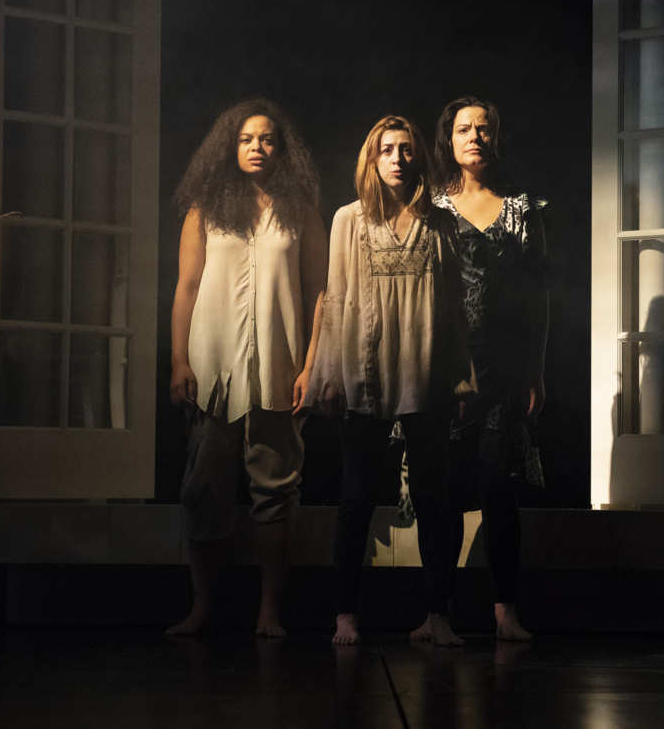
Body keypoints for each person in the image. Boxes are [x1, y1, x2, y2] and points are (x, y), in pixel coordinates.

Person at [299, 115, 466, 647]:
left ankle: (437, 614)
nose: (397, 158)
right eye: (387, 149)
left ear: (419, 157)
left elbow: (454, 307)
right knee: (356, 498)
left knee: (435, 497)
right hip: (364, 369)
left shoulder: (440, 223)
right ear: (372, 159)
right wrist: (328, 371)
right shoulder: (348, 220)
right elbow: (336, 297)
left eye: (407, 149)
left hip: (425, 368)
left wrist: (461, 378)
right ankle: (345, 613)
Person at [166, 98, 327, 638]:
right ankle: (202, 608)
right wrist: (179, 361)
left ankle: (269, 613)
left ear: (282, 150)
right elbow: (186, 288)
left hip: (281, 369)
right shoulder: (205, 207)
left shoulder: (300, 209)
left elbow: (318, 292)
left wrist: (310, 366)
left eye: (266, 140)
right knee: (205, 488)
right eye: (246, 139)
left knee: (276, 492)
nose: (256, 148)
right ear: (229, 147)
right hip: (213, 369)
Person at [430, 95, 548, 642]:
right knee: (447, 489)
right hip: (449, 369)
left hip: (503, 370)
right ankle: (437, 612)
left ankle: (506, 611)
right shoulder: (431, 209)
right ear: (449, 141)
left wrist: (536, 371)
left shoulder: (522, 209)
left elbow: (539, 298)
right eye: (463, 129)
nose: (473, 136)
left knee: (499, 489)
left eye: (482, 128)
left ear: (495, 138)